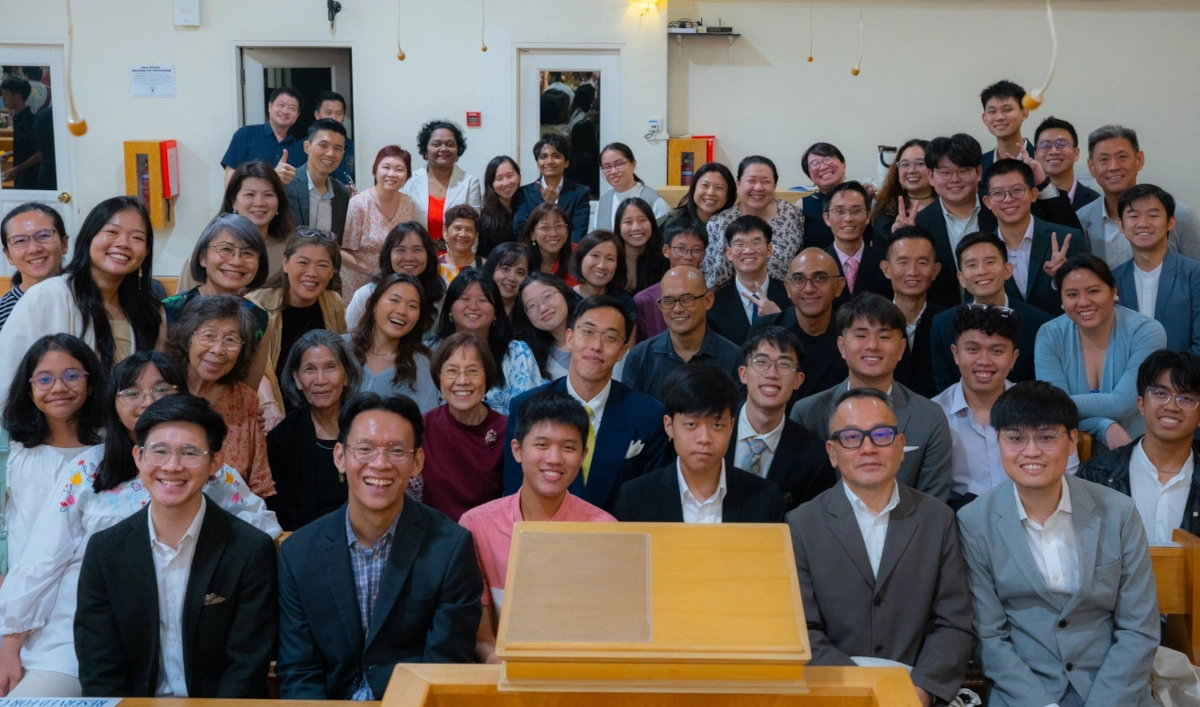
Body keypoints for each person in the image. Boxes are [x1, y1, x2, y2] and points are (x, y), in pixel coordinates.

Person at [0, 352, 278, 698]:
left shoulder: (213, 472)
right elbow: (43, 560)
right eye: (131, 392)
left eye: (161, 389)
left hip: (188, 625)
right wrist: (10, 640)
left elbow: (256, 535)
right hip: (81, 627)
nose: (147, 401)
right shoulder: (87, 472)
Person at [958, 381, 1159, 707]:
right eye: (1015, 438)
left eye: (1046, 437)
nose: (1031, 451)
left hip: (1113, 691)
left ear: (1072, 440)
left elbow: (1139, 628)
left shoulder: (1118, 513)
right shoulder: (974, 522)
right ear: (999, 441)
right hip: (1024, 695)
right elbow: (989, 638)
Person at [276, 392, 482, 699]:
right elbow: (299, 670)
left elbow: (444, 667)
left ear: (417, 462)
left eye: (397, 450)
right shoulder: (299, 552)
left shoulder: (450, 547)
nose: (380, 463)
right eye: (365, 449)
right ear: (339, 457)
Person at [74, 394, 279, 698]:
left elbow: (245, 669)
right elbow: (99, 670)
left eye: (189, 452)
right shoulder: (105, 551)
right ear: (138, 457)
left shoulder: (249, 549)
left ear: (215, 462)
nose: (172, 466)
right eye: (159, 451)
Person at [789, 388, 973, 707]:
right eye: (851, 437)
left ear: (900, 446)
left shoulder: (937, 519)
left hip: (914, 694)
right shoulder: (801, 524)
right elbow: (803, 629)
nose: (868, 448)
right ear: (832, 452)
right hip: (834, 693)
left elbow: (953, 623)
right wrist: (857, 693)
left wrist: (921, 690)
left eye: (881, 435)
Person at [460, 387, 615, 664]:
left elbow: (607, 631)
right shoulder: (477, 526)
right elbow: (483, 639)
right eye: (542, 445)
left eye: (568, 447)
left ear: (583, 456)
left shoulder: (605, 530)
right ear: (517, 450)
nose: (554, 458)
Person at [503, 295, 671, 512]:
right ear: (570, 337)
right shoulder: (525, 407)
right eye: (588, 332)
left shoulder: (649, 415)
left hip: (618, 530)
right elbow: (517, 492)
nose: (596, 346)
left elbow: (647, 500)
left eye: (610, 337)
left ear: (622, 351)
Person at [0, 196, 164, 403]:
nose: (123, 243)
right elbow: (9, 380)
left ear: (146, 251)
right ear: (88, 238)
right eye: (112, 232)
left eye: (137, 238)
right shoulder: (49, 295)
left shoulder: (146, 309)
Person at [791, 294, 953, 501]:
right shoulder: (807, 413)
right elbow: (801, 496)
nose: (872, 345)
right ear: (842, 346)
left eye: (884, 337)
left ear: (901, 348)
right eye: (861, 335)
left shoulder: (929, 416)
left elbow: (933, 503)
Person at [894, 133, 1080, 309]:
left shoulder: (1002, 205)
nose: (955, 179)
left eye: (964, 170)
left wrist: (1042, 183)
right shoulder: (919, 224)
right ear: (931, 177)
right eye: (945, 172)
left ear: (979, 172)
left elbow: (1066, 230)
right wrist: (903, 241)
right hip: (947, 317)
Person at [933, 303, 1077, 510]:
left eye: (996, 351)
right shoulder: (934, 413)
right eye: (973, 349)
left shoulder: (1043, 407)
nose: (984, 361)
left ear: (1013, 358)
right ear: (955, 354)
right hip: (961, 518)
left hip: (1036, 513)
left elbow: (1067, 477)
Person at [614, 363, 785, 523]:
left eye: (716, 425)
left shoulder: (765, 498)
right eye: (691, 424)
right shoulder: (635, 498)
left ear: (731, 427)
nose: (704, 438)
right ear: (669, 426)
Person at [1036, 254, 1167, 450]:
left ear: (1113, 291)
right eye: (1072, 294)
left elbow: (1122, 403)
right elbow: (1053, 412)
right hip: (1069, 454)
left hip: (1138, 450)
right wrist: (1103, 427)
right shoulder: (1049, 335)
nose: (1083, 302)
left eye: (1093, 291)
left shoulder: (1147, 332)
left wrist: (1054, 405)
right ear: (1062, 300)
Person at [1, 334, 104, 566]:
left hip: (87, 580)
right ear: (29, 390)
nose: (58, 388)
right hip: (21, 579)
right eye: (44, 379)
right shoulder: (11, 450)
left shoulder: (109, 448)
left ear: (90, 385)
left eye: (72, 375)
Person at [1080, 350, 1200, 542]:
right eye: (1160, 394)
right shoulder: (1095, 476)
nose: (1171, 406)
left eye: (1186, 398)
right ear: (1141, 404)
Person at [167, 295, 274, 496]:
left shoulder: (245, 400)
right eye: (209, 336)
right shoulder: (162, 393)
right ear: (187, 338)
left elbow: (260, 486)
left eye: (230, 340)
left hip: (232, 513)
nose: (218, 350)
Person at [929, 231, 1052, 392]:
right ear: (961, 278)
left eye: (990, 262)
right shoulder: (943, 324)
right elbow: (944, 386)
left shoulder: (1039, 323)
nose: (982, 271)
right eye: (971, 265)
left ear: (1008, 270)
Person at [247, 229, 346, 427]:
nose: (312, 273)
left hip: (319, 410)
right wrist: (269, 405)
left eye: (322, 265)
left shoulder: (333, 302)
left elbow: (340, 358)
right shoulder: (256, 304)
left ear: (332, 272)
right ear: (285, 263)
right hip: (270, 411)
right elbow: (252, 364)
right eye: (303, 262)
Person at [730, 327, 833, 510]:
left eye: (784, 364)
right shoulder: (710, 430)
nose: (772, 374)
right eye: (761, 362)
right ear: (743, 374)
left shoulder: (814, 458)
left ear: (798, 380)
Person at [163, 214, 271, 388]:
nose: (236, 261)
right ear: (202, 257)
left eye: (248, 253)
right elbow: (158, 381)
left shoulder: (259, 318)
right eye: (226, 249)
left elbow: (248, 391)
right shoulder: (169, 309)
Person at [269, 330, 361, 531]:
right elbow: (282, 514)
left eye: (330, 367)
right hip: (306, 540)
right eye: (310, 369)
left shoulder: (368, 428)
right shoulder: (282, 439)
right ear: (297, 378)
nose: (320, 380)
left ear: (346, 375)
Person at [1079, 125, 1200, 268]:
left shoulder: (1180, 215)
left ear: (1139, 160)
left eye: (1122, 157)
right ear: (1091, 167)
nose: (1113, 167)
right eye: (1104, 159)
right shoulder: (1081, 219)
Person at [982, 158, 1087, 316]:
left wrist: (1061, 278)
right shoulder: (981, 249)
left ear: (1033, 194)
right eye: (998, 193)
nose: (1008, 199)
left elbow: (1088, 293)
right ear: (987, 202)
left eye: (1017, 190)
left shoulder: (1068, 239)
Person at [420, 333, 507, 522]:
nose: (462, 380)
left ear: (487, 376)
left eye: (473, 371)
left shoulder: (506, 431)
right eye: (452, 371)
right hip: (433, 533)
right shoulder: (422, 428)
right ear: (438, 376)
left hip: (487, 532)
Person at [432, 268, 543, 416]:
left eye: (483, 300)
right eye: (465, 299)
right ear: (449, 309)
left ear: (495, 310)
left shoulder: (517, 353)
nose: (473, 306)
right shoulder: (429, 352)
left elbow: (532, 412)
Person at [623, 266, 741, 400]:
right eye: (668, 301)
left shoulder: (733, 357)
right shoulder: (640, 357)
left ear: (708, 301)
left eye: (687, 299)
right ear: (660, 306)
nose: (677, 309)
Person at [752, 248, 848, 410]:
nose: (809, 288)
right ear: (788, 288)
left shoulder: (851, 335)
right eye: (798, 279)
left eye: (820, 278)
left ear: (839, 286)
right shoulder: (764, 330)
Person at [1112, 184, 1200, 354]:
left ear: (1170, 222)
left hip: (1184, 371)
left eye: (1153, 216)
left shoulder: (1194, 275)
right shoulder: (1113, 279)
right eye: (1134, 216)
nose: (1143, 224)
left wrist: (1171, 371)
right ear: (1121, 225)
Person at [702, 155, 804, 289]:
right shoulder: (719, 223)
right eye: (751, 181)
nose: (758, 187)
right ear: (738, 185)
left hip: (786, 297)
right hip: (734, 299)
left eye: (766, 182)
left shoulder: (792, 214)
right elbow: (713, 280)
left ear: (774, 186)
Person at [348, 272, 439, 412]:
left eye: (412, 306)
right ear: (374, 305)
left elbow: (425, 420)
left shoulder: (423, 365)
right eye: (395, 300)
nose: (402, 311)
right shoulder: (342, 347)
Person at [339, 145, 418, 299]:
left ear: (407, 176)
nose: (392, 174)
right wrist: (374, 271)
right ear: (375, 171)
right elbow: (341, 251)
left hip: (393, 281)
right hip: (358, 284)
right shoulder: (359, 204)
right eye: (386, 167)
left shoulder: (407, 203)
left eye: (399, 169)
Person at [879, 228, 946, 398]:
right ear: (886, 269)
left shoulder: (948, 323)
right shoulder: (872, 322)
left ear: (935, 270)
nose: (913, 272)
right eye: (903, 262)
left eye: (922, 263)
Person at [345, 221, 445, 331]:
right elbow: (349, 337)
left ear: (428, 255)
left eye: (417, 250)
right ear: (388, 255)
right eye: (400, 250)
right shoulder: (367, 294)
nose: (409, 258)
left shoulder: (438, 296)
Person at [708, 215, 791, 345]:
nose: (747, 250)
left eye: (756, 243)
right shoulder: (715, 304)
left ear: (769, 250)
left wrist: (778, 319)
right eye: (739, 244)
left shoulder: (791, 294)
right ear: (729, 253)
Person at [401, 120, 482, 244]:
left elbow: (473, 230)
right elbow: (402, 224)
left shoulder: (470, 183)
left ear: (458, 150)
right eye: (436, 144)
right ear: (426, 150)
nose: (443, 149)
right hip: (419, 252)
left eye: (450, 144)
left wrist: (467, 257)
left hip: (457, 253)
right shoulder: (410, 181)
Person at [824, 181, 893, 311]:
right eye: (839, 211)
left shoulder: (886, 261)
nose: (848, 218)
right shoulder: (817, 263)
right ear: (826, 218)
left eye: (856, 211)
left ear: (868, 217)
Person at [285, 119, 351, 253]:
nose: (330, 153)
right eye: (323, 145)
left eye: (338, 148)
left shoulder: (342, 193)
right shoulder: (286, 183)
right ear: (307, 147)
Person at [0, 203, 68, 332]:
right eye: (20, 241)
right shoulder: (3, 313)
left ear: (64, 243)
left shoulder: (87, 298)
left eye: (44, 236)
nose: (34, 249)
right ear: (8, 255)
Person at [635, 219, 708, 339]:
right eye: (681, 248)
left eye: (696, 250)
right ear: (666, 250)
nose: (688, 257)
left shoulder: (708, 296)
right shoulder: (644, 300)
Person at [512, 133, 590, 243]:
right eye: (543, 157)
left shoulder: (580, 193)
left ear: (566, 162)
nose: (549, 162)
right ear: (538, 163)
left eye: (556, 156)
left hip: (567, 252)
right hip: (534, 251)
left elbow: (578, 233)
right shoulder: (524, 192)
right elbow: (520, 231)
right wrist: (545, 205)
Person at [221, 86, 305, 187]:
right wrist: (273, 177)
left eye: (292, 108)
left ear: (298, 115)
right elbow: (230, 179)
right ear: (270, 106)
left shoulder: (298, 149)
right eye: (281, 105)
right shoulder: (245, 134)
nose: (285, 111)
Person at [511, 272, 577, 380]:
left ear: (564, 293)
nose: (543, 308)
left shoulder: (594, 332)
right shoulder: (533, 358)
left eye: (547, 296)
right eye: (531, 306)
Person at [870, 139, 933, 244]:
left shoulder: (945, 208)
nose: (911, 170)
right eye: (905, 164)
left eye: (920, 163)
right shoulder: (882, 204)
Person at [595, 143, 668, 230]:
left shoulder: (654, 201)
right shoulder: (603, 202)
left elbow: (665, 236)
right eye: (607, 167)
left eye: (619, 164)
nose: (613, 171)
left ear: (633, 164)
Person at [1034, 116, 1101, 210]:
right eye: (1046, 145)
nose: (1054, 151)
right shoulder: (1027, 202)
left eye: (1062, 145)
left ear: (1076, 153)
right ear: (1036, 155)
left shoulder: (1097, 202)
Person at [799, 142, 855, 250]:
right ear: (810, 177)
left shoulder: (864, 200)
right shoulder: (801, 206)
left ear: (843, 165)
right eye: (814, 164)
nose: (823, 167)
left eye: (828, 158)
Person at [659, 161, 736, 232]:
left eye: (719, 187)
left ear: (728, 195)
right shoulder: (672, 222)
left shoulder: (735, 225)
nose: (710, 193)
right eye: (705, 185)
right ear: (693, 189)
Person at [616, 197, 670, 295]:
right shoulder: (611, 259)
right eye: (628, 222)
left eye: (642, 220)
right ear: (618, 227)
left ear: (652, 224)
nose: (636, 228)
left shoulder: (665, 261)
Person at [979, 79, 1035, 173]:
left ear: (1024, 113)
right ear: (984, 118)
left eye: (1007, 110)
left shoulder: (1043, 159)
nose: (999, 117)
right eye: (992, 111)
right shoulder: (979, 166)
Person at [519, 201, 576, 285]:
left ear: (567, 231)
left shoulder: (579, 255)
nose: (553, 234)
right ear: (532, 234)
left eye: (559, 226)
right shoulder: (520, 256)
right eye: (544, 227)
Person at [478, 156, 523, 255]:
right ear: (491, 183)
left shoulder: (527, 206)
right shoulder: (485, 219)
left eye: (510, 176)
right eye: (499, 179)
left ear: (519, 177)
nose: (506, 183)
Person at [0, 77, 39, 189]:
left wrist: (17, 169)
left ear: (17, 97)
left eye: (6, 94)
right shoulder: (18, 118)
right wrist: (10, 153)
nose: (2, 98)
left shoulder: (28, 121)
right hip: (21, 173)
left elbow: (39, 153)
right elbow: (27, 147)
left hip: (30, 176)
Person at [313, 90, 356, 187]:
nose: (334, 118)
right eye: (328, 113)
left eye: (339, 113)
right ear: (317, 115)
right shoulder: (305, 146)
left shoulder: (353, 149)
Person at [571, 229, 627, 299]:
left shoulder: (625, 302)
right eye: (595, 255)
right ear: (580, 258)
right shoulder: (563, 300)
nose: (601, 266)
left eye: (610, 259)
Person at [438, 204, 485, 282]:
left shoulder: (486, 267)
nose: (463, 234)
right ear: (445, 232)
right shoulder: (433, 266)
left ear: (476, 235)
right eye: (457, 228)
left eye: (469, 230)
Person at [483, 241, 529, 316]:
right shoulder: (476, 309)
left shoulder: (530, 314)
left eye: (520, 273)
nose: (512, 278)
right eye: (505, 269)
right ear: (491, 269)